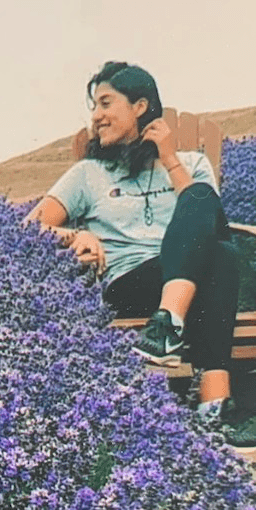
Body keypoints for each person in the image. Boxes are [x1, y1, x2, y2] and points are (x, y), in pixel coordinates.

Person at [24, 61, 255, 451]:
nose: (96, 116)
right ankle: (215, 404)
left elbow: (208, 219)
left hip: (193, 280)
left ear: (141, 107)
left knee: (207, 220)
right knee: (221, 257)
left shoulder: (191, 164)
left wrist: (170, 160)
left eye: (106, 103)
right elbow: (30, 226)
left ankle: (168, 330)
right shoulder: (88, 174)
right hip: (132, 282)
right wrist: (75, 234)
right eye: (94, 107)